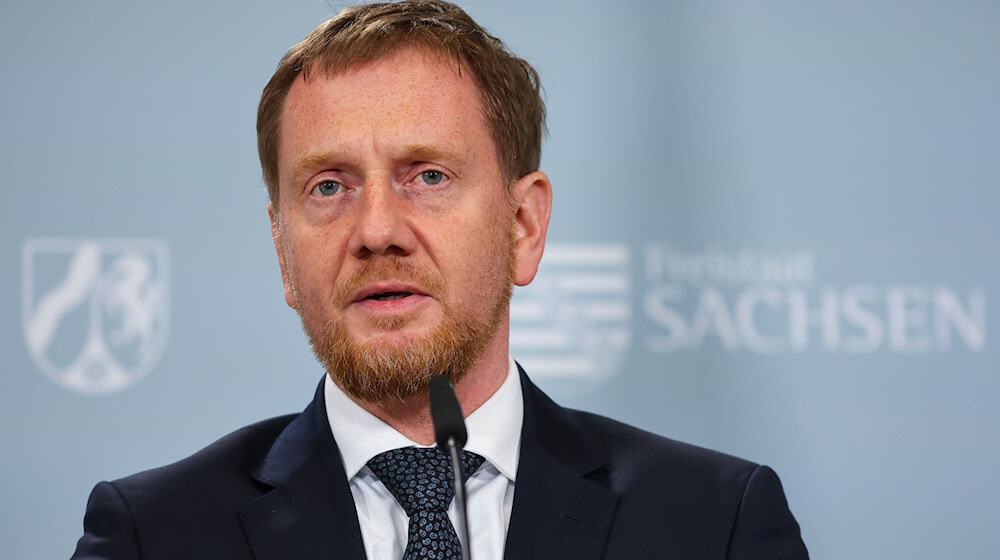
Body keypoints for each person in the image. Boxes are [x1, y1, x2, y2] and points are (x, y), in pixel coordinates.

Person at [71, 1, 809, 558]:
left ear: (523, 225)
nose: (376, 230)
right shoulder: (155, 533)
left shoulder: (715, 524)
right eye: (329, 187)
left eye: (428, 176)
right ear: (281, 250)